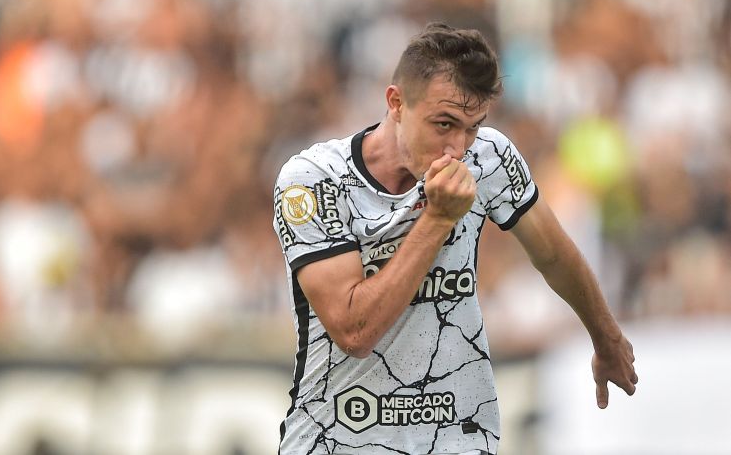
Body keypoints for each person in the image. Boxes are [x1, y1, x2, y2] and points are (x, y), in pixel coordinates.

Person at [272, 23, 637, 455]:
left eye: (472, 127)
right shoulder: (314, 181)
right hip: (336, 439)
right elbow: (353, 331)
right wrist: (438, 219)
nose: (458, 148)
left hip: (458, 437)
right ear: (396, 103)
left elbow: (554, 255)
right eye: (443, 124)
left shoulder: (491, 156)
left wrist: (606, 336)